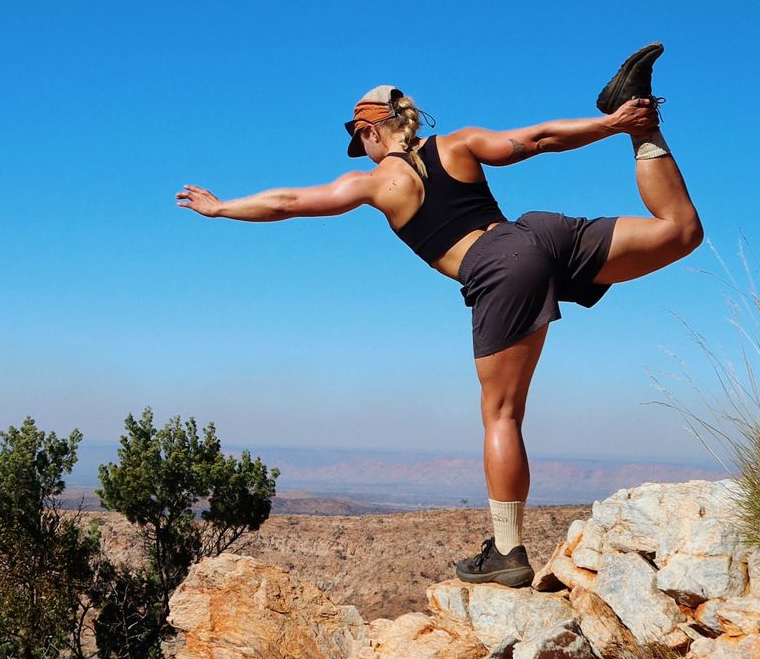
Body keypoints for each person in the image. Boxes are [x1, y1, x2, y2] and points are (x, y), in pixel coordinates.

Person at [176, 44, 702, 588]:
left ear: (371, 131)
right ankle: (643, 124)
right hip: (538, 233)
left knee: (502, 413)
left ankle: (507, 551)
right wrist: (613, 123)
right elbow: (538, 140)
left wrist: (221, 208)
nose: (362, 149)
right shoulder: (460, 144)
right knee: (680, 231)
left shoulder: (377, 183)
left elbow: (288, 201)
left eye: (360, 139)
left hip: (499, 266)